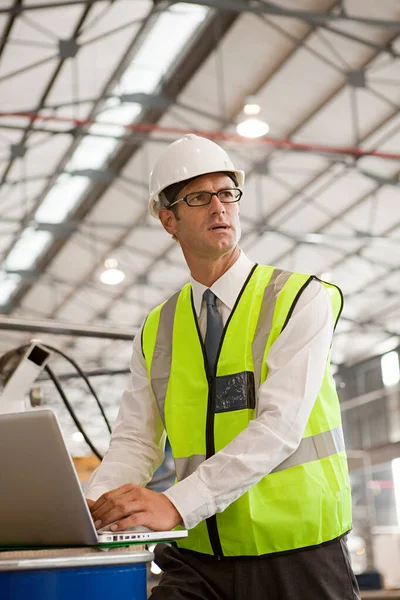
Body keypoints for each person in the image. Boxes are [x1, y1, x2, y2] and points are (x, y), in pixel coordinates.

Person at [86, 134, 360, 599]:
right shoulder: (157, 329)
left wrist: (174, 503)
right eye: (198, 197)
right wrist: (94, 509)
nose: (219, 208)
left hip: (297, 555)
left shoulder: (301, 299)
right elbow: (136, 439)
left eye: (227, 193)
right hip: (197, 559)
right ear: (167, 218)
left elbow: (279, 427)